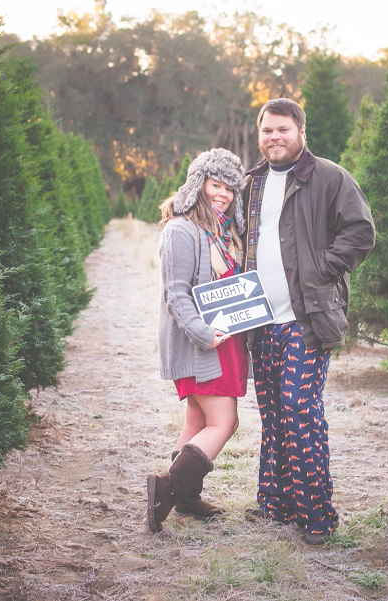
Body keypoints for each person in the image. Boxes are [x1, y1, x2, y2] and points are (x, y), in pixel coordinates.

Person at [243, 98, 375, 545]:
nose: (274, 137)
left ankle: (317, 513)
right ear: (258, 134)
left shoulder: (330, 177)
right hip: (261, 322)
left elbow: (361, 232)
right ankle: (275, 503)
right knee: (274, 414)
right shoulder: (251, 183)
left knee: (301, 411)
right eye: (267, 130)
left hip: (306, 319)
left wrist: (320, 269)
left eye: (283, 129)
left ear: (301, 131)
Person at [147, 148, 248, 533]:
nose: (222, 193)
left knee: (199, 416)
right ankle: (167, 490)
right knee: (224, 421)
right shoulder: (182, 229)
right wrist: (204, 335)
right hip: (200, 342)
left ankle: (186, 499)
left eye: (229, 188)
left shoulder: (223, 232)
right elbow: (176, 293)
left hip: (224, 339)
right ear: (198, 184)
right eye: (215, 184)